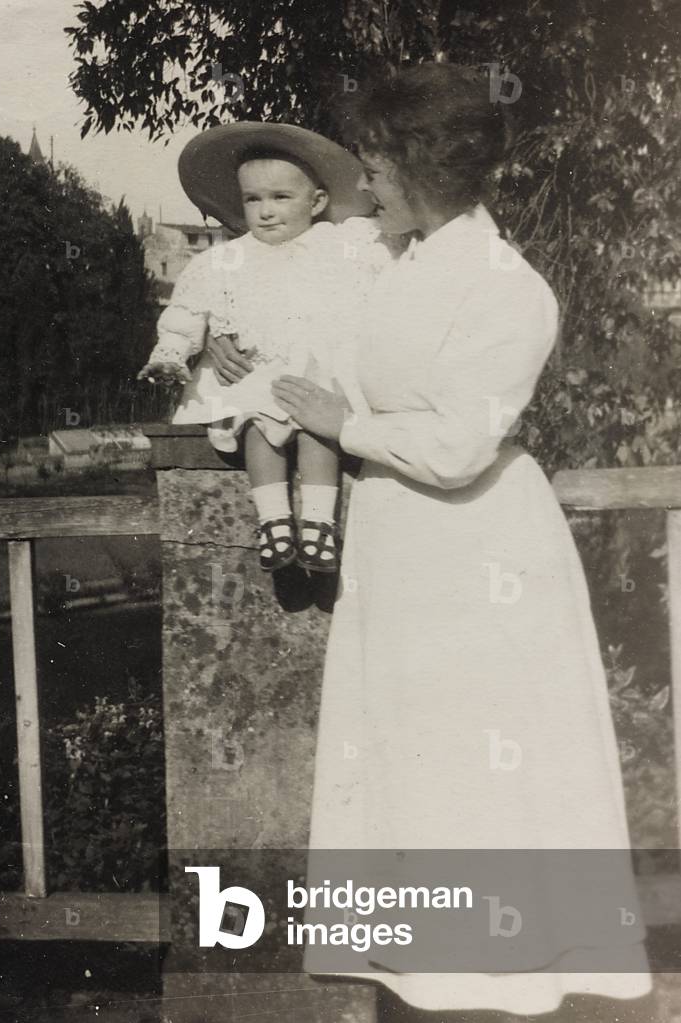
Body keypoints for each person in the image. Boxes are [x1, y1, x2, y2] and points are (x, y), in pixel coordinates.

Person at [266, 64, 656, 1019]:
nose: (365, 186)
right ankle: (425, 973)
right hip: (401, 542)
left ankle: (502, 982)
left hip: (476, 549)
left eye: (377, 166)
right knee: (410, 758)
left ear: (420, 166)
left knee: (479, 762)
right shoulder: (400, 263)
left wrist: (343, 425)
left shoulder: (505, 288)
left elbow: (454, 443)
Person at [139, 123, 391, 573]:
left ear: (316, 203)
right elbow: (190, 309)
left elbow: (385, 246)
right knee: (258, 427)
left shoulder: (338, 244)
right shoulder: (225, 259)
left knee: (320, 430)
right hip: (257, 375)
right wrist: (171, 354)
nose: (266, 212)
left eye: (280, 198)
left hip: (317, 375)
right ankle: (273, 522)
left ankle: (318, 526)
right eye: (253, 200)